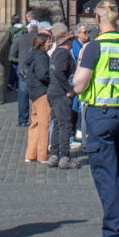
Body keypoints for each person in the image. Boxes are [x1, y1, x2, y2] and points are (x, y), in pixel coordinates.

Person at [73, 0, 119, 237]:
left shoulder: (94, 47)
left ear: (98, 19)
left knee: (106, 175)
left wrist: (80, 64)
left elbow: (79, 85)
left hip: (100, 115)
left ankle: (113, 235)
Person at [47, 28, 76, 169]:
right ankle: (64, 156)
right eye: (71, 40)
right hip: (60, 93)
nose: (72, 42)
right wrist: (69, 89)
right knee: (65, 124)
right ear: (66, 41)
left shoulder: (55, 53)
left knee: (57, 123)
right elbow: (59, 72)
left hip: (53, 91)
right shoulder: (64, 53)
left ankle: (54, 155)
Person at [24, 32, 51, 163]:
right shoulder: (41, 56)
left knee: (35, 123)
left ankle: (31, 154)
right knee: (44, 123)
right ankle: (42, 154)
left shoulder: (33, 54)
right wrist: (52, 78)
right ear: (43, 43)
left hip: (33, 92)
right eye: (49, 42)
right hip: (42, 92)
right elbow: (43, 74)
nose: (50, 44)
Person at [9, 10, 38, 126]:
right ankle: (37, 118)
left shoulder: (21, 38)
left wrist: (21, 57)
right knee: (38, 95)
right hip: (36, 69)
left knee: (23, 95)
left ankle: (23, 119)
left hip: (23, 69)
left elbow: (13, 53)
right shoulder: (38, 38)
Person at [7, 14, 26, 90]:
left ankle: (10, 83)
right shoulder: (24, 29)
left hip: (13, 49)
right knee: (19, 68)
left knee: (13, 68)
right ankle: (17, 85)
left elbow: (10, 39)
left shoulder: (11, 29)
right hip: (21, 49)